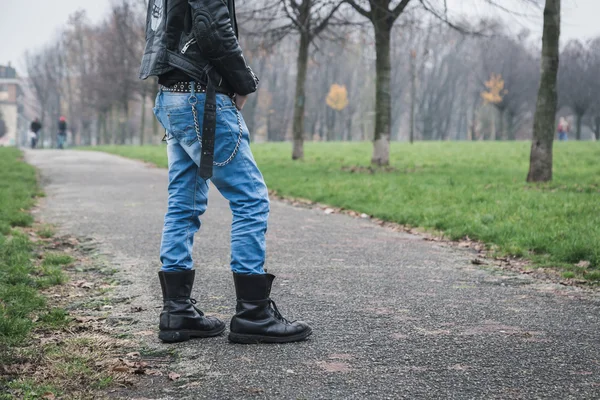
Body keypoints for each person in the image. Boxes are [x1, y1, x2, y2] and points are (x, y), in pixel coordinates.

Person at [140, 0, 312, 344]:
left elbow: (165, 28)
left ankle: (177, 312)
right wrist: (243, 81)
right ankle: (254, 313)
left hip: (172, 93)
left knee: (183, 203)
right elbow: (212, 25)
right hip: (201, 97)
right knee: (251, 199)